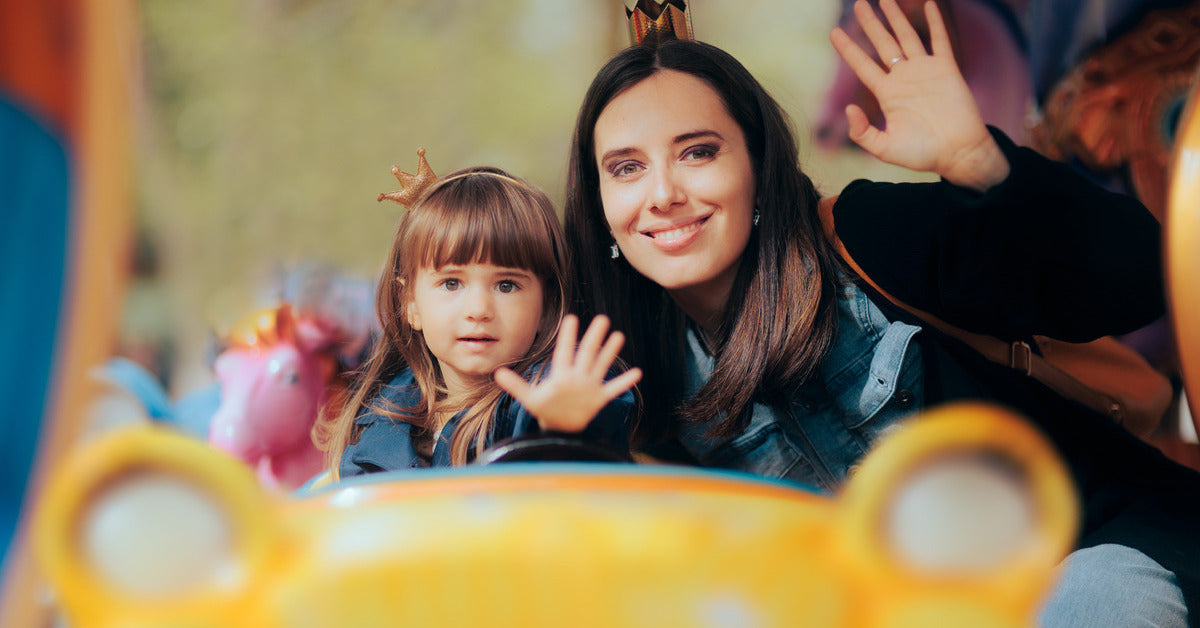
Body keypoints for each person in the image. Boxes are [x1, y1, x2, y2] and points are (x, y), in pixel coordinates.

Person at [562, 0, 1200, 625]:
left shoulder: (865, 240)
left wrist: (981, 163)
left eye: (698, 152)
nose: (664, 194)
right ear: (601, 206)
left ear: (757, 165)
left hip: (1090, 557)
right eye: (626, 168)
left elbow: (1141, 280)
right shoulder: (635, 376)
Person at [325, 166, 642, 477]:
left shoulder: (557, 386)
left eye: (506, 285)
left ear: (546, 307)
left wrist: (563, 430)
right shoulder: (381, 415)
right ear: (410, 304)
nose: (478, 310)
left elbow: (585, 466)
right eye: (451, 283)